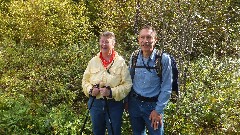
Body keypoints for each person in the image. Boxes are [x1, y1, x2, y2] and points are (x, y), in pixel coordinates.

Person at [82, 31, 132, 135]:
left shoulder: (120, 62)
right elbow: (85, 81)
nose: (103, 44)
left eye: (107, 42)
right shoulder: (93, 61)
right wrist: (90, 90)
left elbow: (127, 85)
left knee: (114, 132)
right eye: (102, 41)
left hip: (114, 104)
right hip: (95, 104)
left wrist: (111, 92)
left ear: (113, 44)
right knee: (97, 132)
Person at [127, 25, 172, 135]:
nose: (145, 41)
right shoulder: (134, 57)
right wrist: (126, 101)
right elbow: (128, 80)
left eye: (149, 37)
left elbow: (167, 88)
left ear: (155, 40)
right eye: (142, 37)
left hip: (153, 105)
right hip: (135, 104)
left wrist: (158, 110)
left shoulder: (163, 59)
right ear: (138, 40)